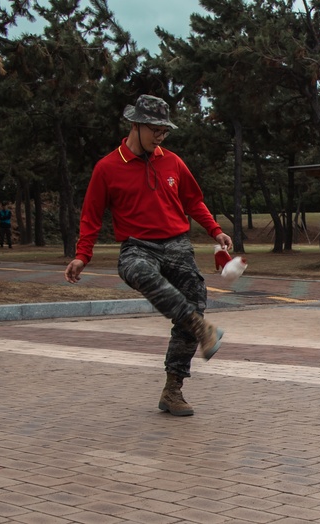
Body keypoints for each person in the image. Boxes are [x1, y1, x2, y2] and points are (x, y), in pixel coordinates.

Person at [64, 94, 232, 417]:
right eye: (155, 129)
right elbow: (91, 216)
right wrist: (82, 256)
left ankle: (173, 390)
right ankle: (201, 328)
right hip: (137, 246)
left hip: (177, 243)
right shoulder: (107, 168)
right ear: (136, 125)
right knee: (139, 271)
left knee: (195, 295)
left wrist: (215, 230)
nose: (160, 136)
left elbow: (193, 201)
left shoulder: (172, 162)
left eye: (164, 131)